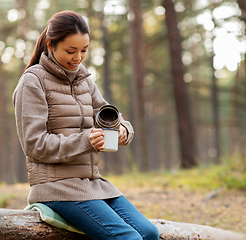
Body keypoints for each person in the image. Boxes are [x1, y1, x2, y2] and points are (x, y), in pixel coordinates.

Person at [13, 10, 159, 240]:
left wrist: (124, 131)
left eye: (84, 50)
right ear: (51, 45)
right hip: (56, 187)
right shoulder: (33, 81)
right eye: (70, 51)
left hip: (92, 184)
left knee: (149, 233)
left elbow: (110, 116)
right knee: (128, 238)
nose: (78, 57)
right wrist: (86, 140)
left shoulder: (84, 81)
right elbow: (34, 144)